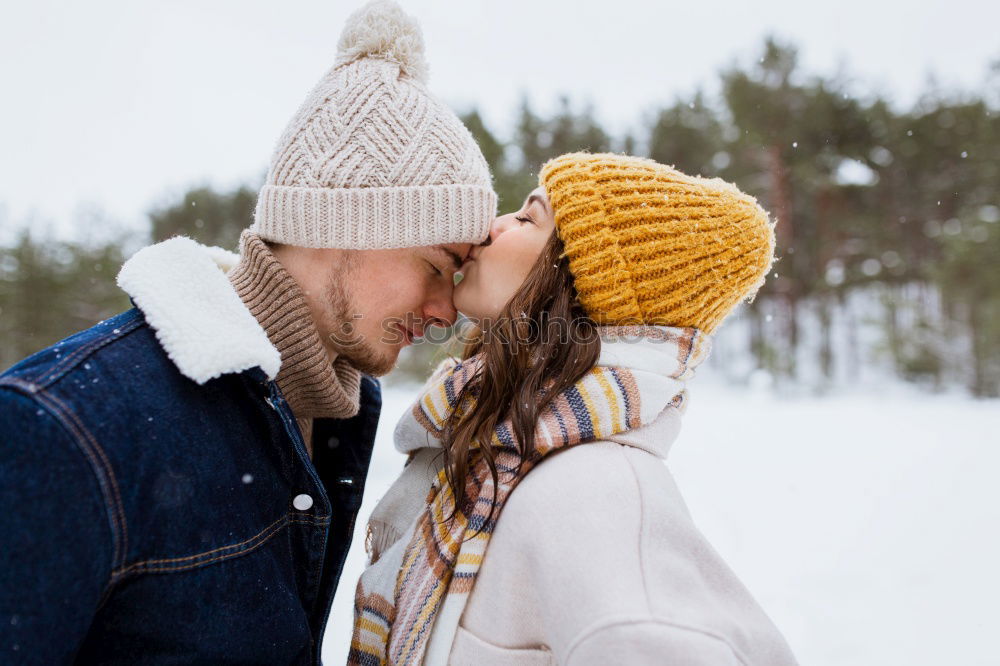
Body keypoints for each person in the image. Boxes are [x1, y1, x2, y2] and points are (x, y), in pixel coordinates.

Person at [0, 2, 494, 664]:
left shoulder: (337, 413)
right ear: (340, 225)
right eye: (437, 267)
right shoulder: (65, 426)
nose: (444, 312)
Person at [350, 153, 800, 665]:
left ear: (584, 280)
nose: (489, 230)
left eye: (526, 218)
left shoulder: (593, 492)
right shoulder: (498, 458)